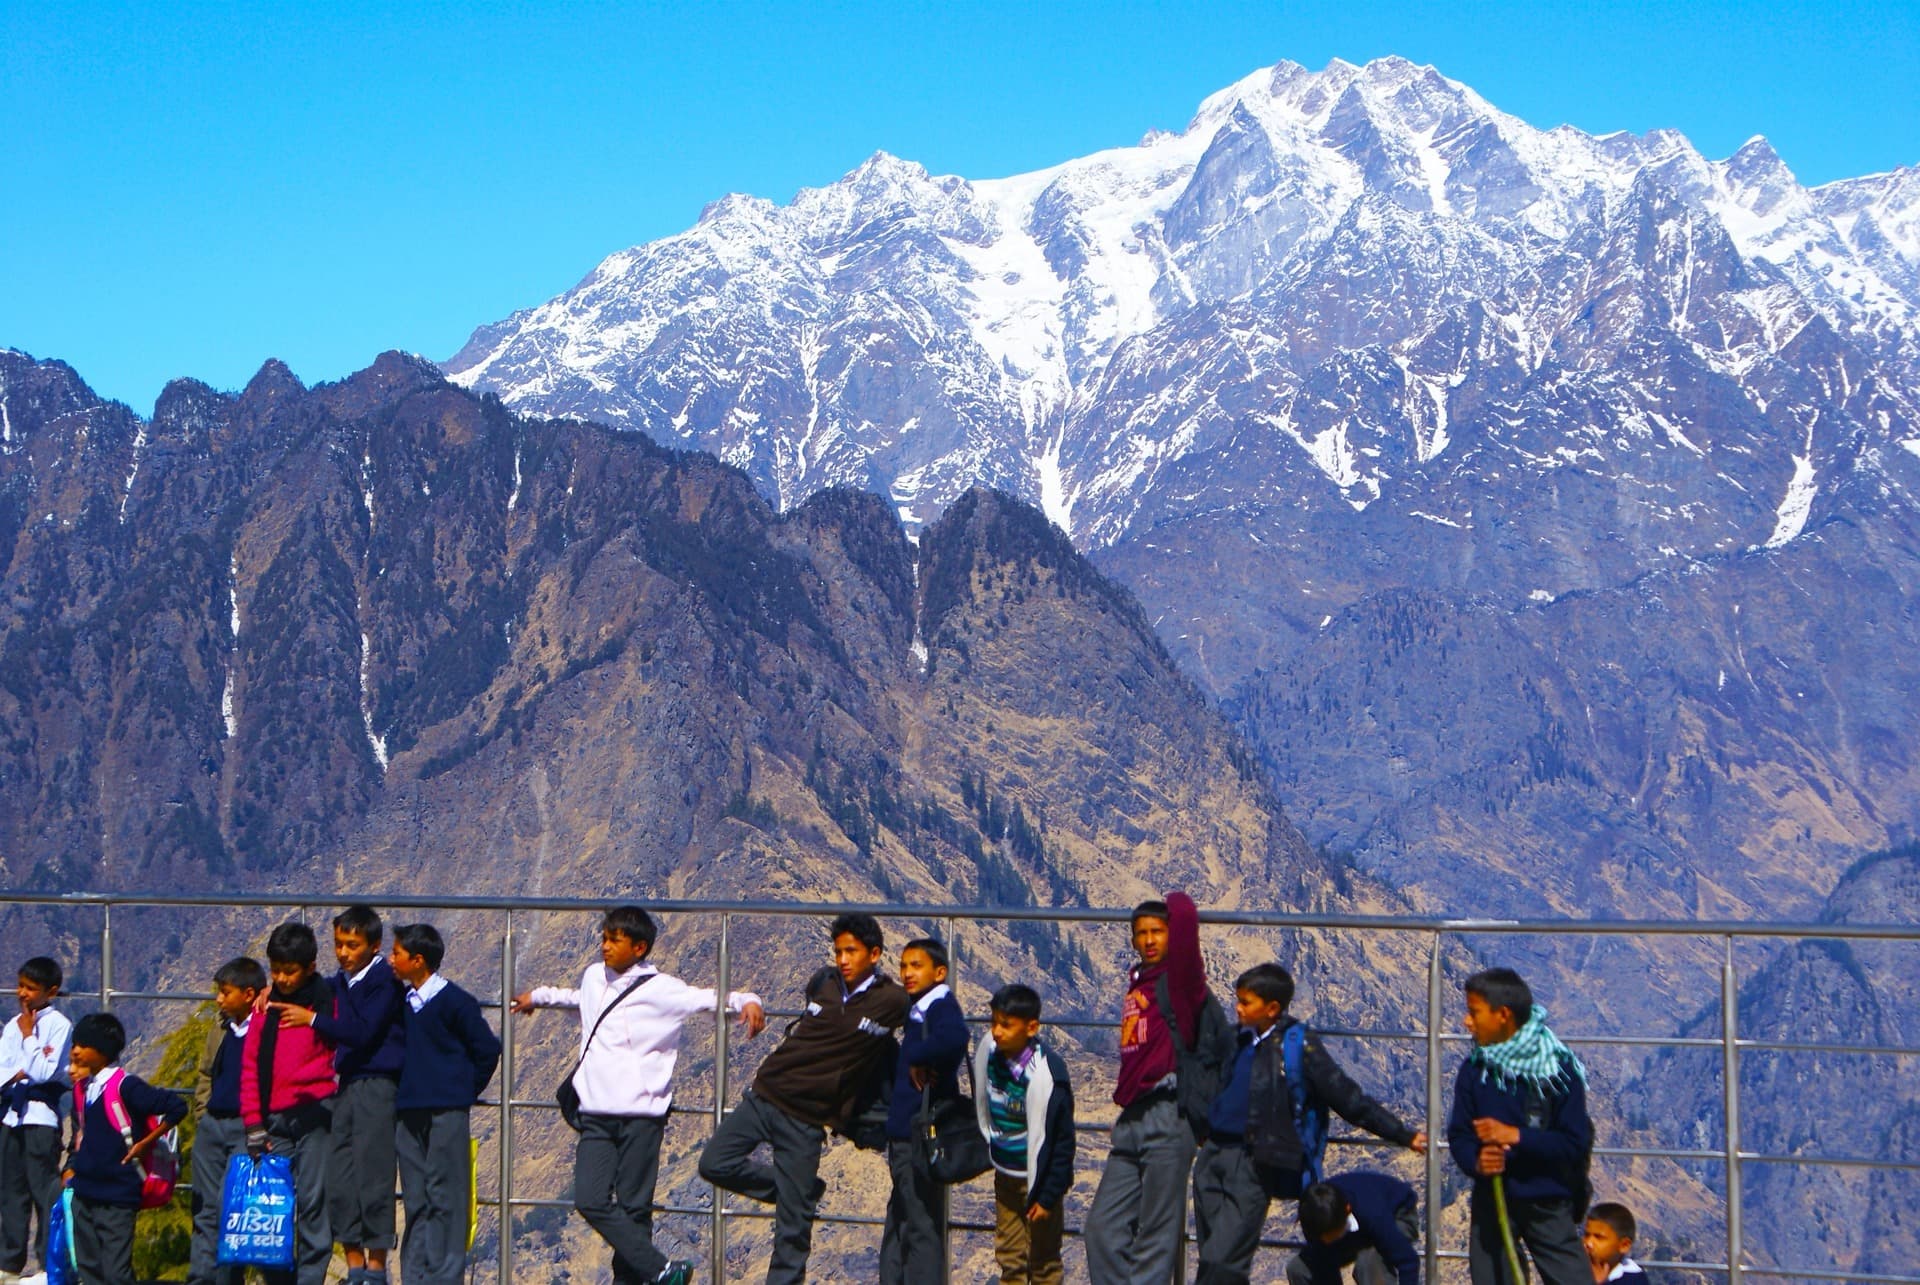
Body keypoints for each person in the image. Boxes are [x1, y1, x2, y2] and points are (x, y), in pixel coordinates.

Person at [512, 906, 766, 1285]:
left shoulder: (663, 990)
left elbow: (709, 999)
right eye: (604, 938)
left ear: (639, 947)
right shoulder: (593, 977)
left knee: (635, 1208)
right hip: (596, 1115)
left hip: (642, 1118)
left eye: (614, 940)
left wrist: (749, 1002)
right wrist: (539, 997)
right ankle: (663, 1271)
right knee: (590, 1200)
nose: (605, 946)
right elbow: (577, 999)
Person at [698, 912, 910, 1285]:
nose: (843, 960)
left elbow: (931, 1019)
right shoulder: (824, 983)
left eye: (851, 951)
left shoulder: (891, 1000)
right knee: (714, 1163)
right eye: (838, 951)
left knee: (792, 1229)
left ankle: (796, 1204)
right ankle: (800, 1190)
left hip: (807, 1119)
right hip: (765, 1095)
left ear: (874, 954)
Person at [1195, 963, 1425, 1284]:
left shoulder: (1299, 1047)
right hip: (1212, 1156)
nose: (1237, 1008)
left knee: (1226, 1257)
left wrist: (1401, 1134)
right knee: (1210, 1253)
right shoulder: (1235, 1040)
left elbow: (1349, 1099)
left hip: (1253, 1162)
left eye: (1246, 1002)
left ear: (1272, 1008)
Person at [1085, 892, 1225, 1285]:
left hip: (1169, 1112)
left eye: (1158, 931)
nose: (1149, 940)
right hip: (1132, 1117)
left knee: (1156, 1235)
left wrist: (1171, 902)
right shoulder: (1138, 984)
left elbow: (1186, 915)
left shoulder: (1179, 984)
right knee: (1102, 1229)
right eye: (1141, 933)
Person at [1447, 967, 1592, 1285]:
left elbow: (1574, 1142)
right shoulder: (1474, 1070)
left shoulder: (1559, 1071)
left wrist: (1515, 1136)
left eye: (1474, 1012)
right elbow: (1459, 1135)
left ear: (1503, 1015)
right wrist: (1477, 1161)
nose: (1467, 1021)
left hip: (1548, 1198)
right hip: (1493, 1198)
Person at [389, 923, 500, 1285]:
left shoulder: (455, 1002)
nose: (391, 960)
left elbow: (487, 1049)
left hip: (446, 1112)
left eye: (397, 954)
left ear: (417, 960)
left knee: (447, 1198)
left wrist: (462, 1091)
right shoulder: (402, 1003)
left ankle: (445, 1277)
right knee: (417, 1198)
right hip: (409, 1113)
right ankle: (415, 1275)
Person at [300, 906, 405, 1285]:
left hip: (378, 1083)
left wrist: (314, 1020)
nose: (343, 953)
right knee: (341, 1174)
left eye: (352, 945)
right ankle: (354, 1265)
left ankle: (376, 1268)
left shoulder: (384, 983)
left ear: (374, 946)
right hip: (345, 1084)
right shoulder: (341, 983)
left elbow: (362, 1033)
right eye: (339, 944)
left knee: (374, 1173)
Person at [242, 924, 339, 1285]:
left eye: (289, 971)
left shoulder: (327, 1003)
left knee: (314, 1203)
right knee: (269, 1208)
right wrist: (253, 1123)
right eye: (275, 970)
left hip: (316, 1115)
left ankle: (310, 1278)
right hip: (272, 1122)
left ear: (310, 967)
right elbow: (250, 1067)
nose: (281, 978)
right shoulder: (264, 1009)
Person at [61, 1012, 188, 1285]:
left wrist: (146, 1143)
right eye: (75, 1044)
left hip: (117, 1195)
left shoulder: (125, 1086)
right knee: (89, 1268)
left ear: (103, 1050)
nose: (75, 1051)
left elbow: (176, 1107)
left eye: (83, 1045)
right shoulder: (83, 1089)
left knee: (115, 1271)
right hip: (85, 1192)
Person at [972, 983, 1075, 1285]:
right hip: (1006, 1175)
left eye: (1006, 1025)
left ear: (1031, 1027)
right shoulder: (990, 1055)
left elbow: (1062, 1142)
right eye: (993, 1023)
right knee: (1009, 1256)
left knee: (1044, 1262)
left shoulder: (1047, 1075)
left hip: (1037, 1183)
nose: (997, 1032)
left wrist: (1048, 1196)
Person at [879, 938, 967, 1285]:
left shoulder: (939, 1006)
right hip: (905, 1132)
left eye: (917, 966)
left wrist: (918, 1057)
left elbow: (955, 1037)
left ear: (940, 972)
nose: (907, 973)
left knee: (919, 1225)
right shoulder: (919, 1008)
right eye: (903, 966)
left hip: (916, 1134)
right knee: (901, 1221)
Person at [188, 958, 267, 1285]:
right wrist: (202, 1113)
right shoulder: (221, 1029)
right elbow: (207, 1072)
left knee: (230, 1209)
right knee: (204, 1209)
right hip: (213, 1126)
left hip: (244, 1129)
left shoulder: (265, 1029)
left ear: (249, 994)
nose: (219, 999)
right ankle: (201, 1277)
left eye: (225, 992)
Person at [0, 956, 70, 1285]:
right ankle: (9, 1263)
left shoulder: (58, 1025)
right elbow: (5, 1069)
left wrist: (30, 1039)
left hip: (41, 1118)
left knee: (44, 1190)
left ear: (50, 992)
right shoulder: (12, 1025)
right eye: (20, 986)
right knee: (11, 1190)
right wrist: (19, 1071)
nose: (22, 994)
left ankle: (47, 1263)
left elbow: (43, 1072)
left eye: (30, 988)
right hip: (11, 1116)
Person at [1288, 1174, 1420, 1285]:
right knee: (1299, 1268)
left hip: (1398, 1216)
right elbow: (1325, 1262)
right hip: (1354, 1230)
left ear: (1347, 1210)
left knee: (1368, 1262)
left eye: (1331, 1235)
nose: (1326, 1241)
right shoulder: (1314, 1218)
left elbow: (1408, 1262)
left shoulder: (1374, 1213)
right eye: (1323, 1237)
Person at [1583, 1203, 1645, 1281]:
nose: (1588, 1243)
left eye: (1599, 1237)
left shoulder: (1632, 1280)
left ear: (1624, 1245)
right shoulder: (1578, 1269)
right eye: (1586, 1235)